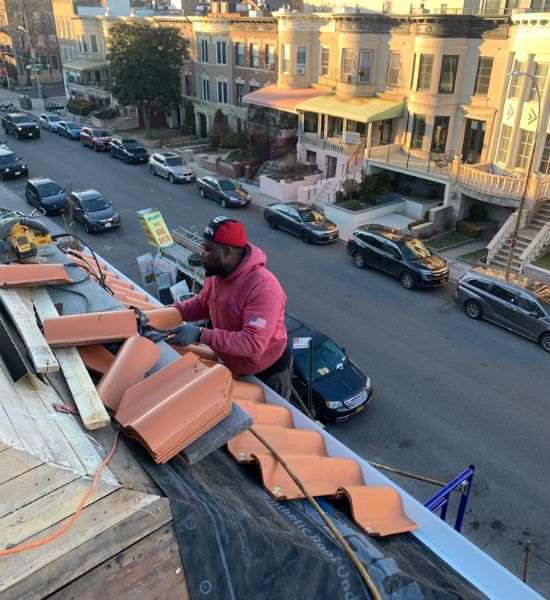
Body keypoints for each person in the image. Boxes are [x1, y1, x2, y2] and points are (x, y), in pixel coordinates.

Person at [171, 216, 293, 399]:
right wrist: (173, 312)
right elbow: (204, 303)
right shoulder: (217, 273)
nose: (201, 254)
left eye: (207, 249)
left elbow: (253, 343)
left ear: (227, 252)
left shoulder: (263, 288)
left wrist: (200, 334)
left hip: (265, 373)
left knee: (265, 415)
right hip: (231, 360)